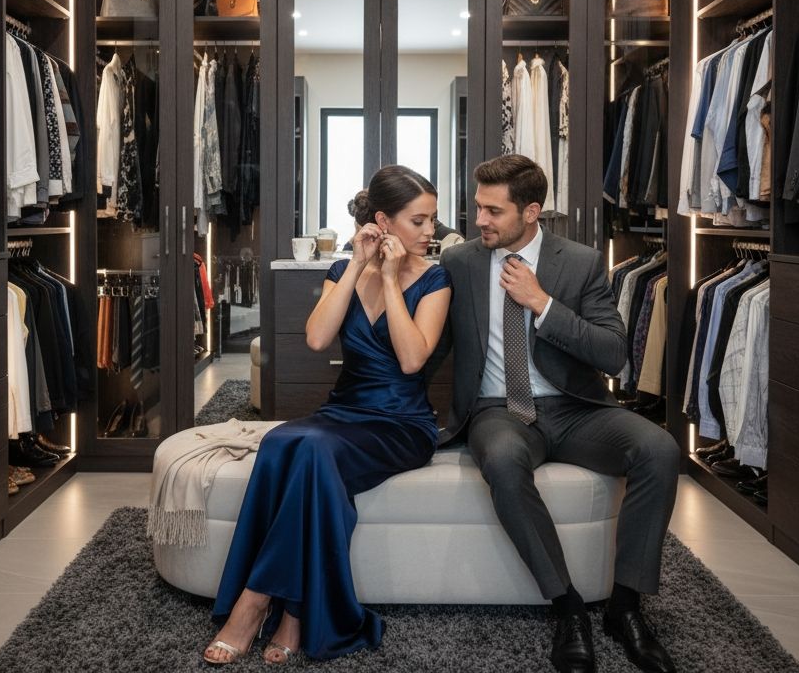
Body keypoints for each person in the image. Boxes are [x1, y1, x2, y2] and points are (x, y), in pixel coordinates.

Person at [437, 154, 679, 673]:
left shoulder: (581, 262)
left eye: (493, 211)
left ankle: (626, 606)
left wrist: (543, 304)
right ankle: (567, 607)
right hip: (498, 409)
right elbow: (429, 347)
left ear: (531, 212)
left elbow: (613, 353)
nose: (479, 220)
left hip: (574, 408)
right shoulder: (459, 263)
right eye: (478, 207)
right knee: (503, 461)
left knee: (659, 449)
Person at [204, 165, 452, 665]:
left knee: (314, 450)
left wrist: (390, 278)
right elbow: (317, 339)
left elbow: (411, 360)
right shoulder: (342, 272)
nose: (432, 231)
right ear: (383, 221)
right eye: (420, 221)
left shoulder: (435, 279)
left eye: (432, 220)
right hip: (345, 411)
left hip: (402, 423)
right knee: (280, 443)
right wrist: (358, 265)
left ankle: (254, 601)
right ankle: (295, 613)